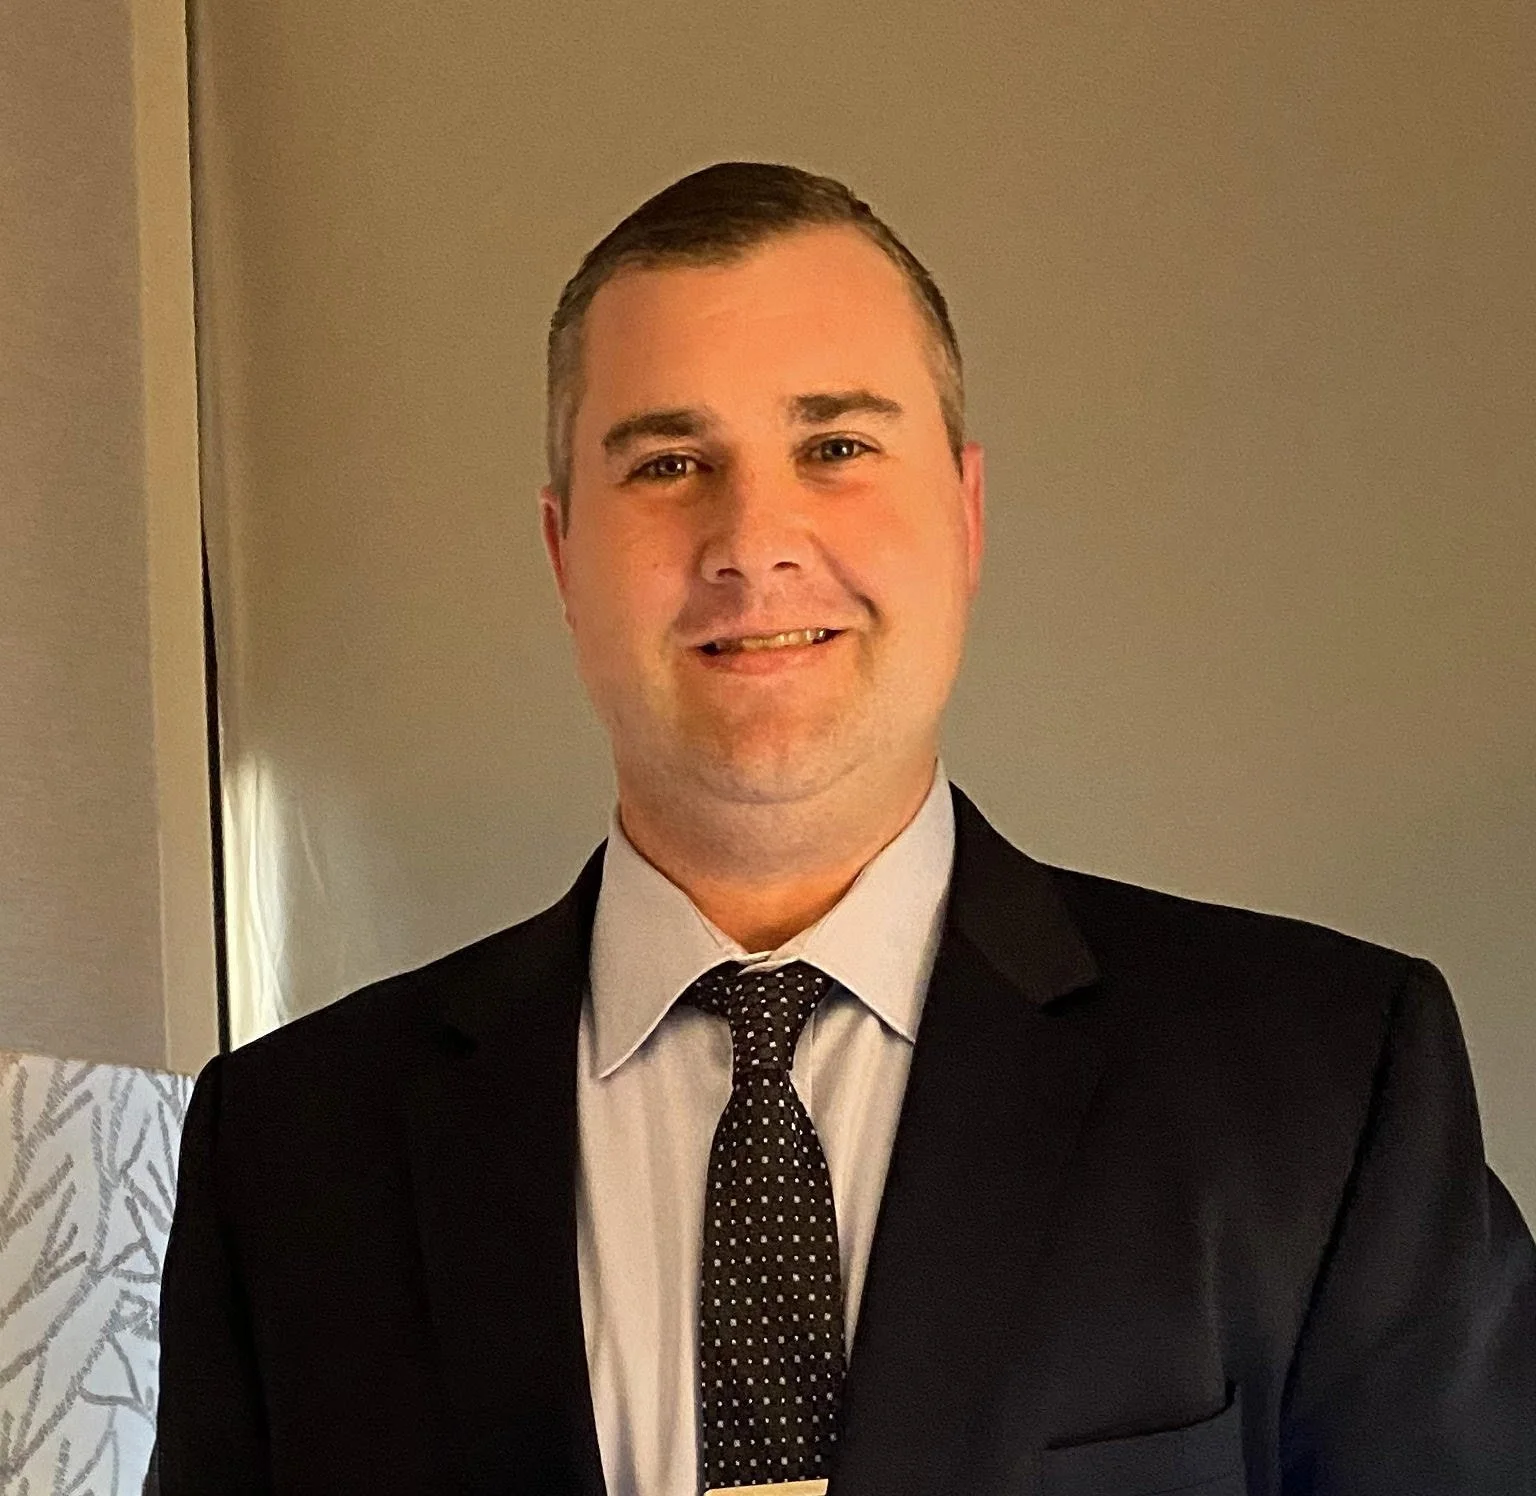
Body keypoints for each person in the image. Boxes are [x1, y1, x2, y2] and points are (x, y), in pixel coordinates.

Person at [152, 162, 1535, 1495]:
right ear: (566, 553)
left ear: (966, 513)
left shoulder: (1326, 1083)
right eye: (669, 461)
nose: (754, 541)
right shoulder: (288, 1155)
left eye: (836, 446)